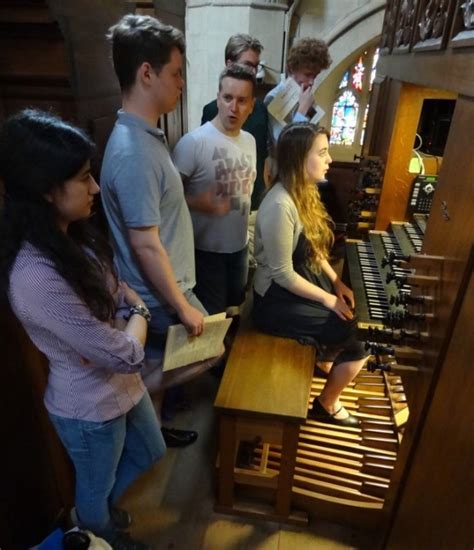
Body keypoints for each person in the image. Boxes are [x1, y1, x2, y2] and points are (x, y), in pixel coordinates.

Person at [0, 109, 162, 549]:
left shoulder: (73, 233)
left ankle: (97, 516)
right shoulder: (34, 274)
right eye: (84, 178)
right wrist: (141, 316)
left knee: (152, 451)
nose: (94, 188)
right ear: (48, 192)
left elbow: (117, 290)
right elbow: (123, 351)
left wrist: (126, 317)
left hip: (120, 384)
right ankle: (98, 534)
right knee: (92, 488)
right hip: (87, 406)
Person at [101, 14, 218, 447]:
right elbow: (145, 243)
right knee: (209, 349)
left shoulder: (146, 137)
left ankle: (149, 430)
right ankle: (128, 406)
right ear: (146, 73)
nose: (181, 82)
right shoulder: (133, 151)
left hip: (168, 286)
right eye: (176, 73)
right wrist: (182, 306)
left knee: (182, 361)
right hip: (160, 294)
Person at [252, 122, 369, 426]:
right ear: (298, 158)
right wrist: (330, 302)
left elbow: (313, 248)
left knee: (349, 310)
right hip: (274, 301)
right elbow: (282, 275)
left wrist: (336, 281)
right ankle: (326, 404)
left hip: (295, 280)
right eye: (323, 152)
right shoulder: (279, 204)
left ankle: (325, 359)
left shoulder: (302, 190)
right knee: (362, 338)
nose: (329, 159)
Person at [172, 64, 257, 315]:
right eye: (228, 98)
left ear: (251, 105)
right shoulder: (193, 143)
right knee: (212, 318)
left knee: (235, 309)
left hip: (239, 247)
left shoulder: (250, 140)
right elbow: (165, 201)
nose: (234, 107)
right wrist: (198, 203)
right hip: (205, 252)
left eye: (242, 100)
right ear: (218, 99)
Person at [201, 34, 267, 210]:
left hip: (254, 203)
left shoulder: (260, 109)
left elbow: (263, 158)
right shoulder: (211, 111)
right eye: (248, 65)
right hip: (220, 204)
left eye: (256, 66)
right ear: (229, 65)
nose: (253, 72)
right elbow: (207, 162)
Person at [265, 38, 332, 154]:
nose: (311, 82)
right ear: (292, 69)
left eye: (315, 76)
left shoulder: (307, 97)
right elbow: (284, 146)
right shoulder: (274, 98)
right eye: (308, 75)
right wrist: (302, 111)